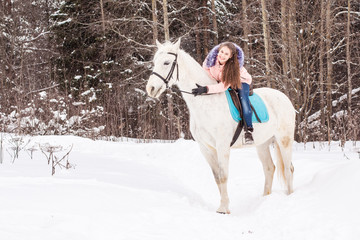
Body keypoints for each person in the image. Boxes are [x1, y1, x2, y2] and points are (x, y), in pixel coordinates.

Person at [191, 42, 254, 144]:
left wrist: (206, 89)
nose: (222, 55)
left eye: (226, 54)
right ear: (218, 51)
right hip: (222, 81)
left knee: (244, 102)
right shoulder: (210, 59)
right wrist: (208, 84)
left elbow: (223, 87)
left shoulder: (233, 67)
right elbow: (205, 71)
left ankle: (248, 130)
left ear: (231, 57)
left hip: (241, 81)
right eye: (222, 52)